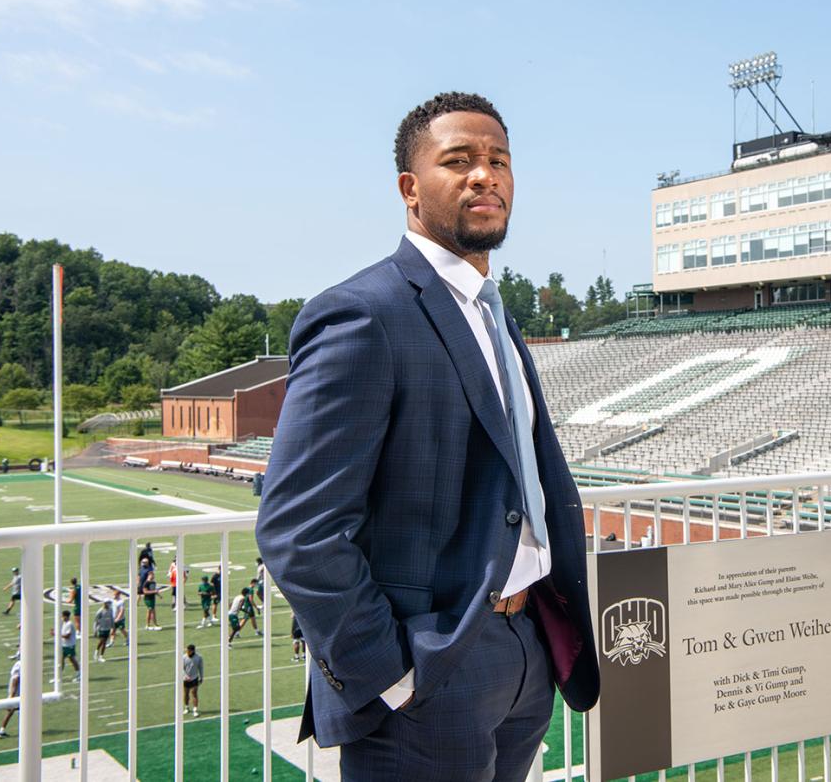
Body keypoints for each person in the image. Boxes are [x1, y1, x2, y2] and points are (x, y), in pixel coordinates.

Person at [256, 92, 599, 780]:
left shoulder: (494, 313)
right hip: (433, 669)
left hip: (525, 647)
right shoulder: (362, 313)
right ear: (410, 189)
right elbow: (297, 528)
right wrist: (393, 674)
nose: (485, 175)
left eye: (499, 160)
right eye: (460, 161)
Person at [0, 655, 21, 738]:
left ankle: (2, 730)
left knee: (15, 710)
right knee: (12, 710)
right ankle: (1, 730)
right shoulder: (20, 665)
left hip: (18, 691)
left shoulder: (19, 664)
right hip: (17, 692)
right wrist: (12, 695)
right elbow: (15, 679)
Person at [182, 644, 204, 717]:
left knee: (194, 693)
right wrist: (185, 676)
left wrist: (201, 677)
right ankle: (186, 707)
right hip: (185, 679)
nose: (187, 652)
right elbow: (181, 668)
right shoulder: (184, 657)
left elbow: (200, 668)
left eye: (189, 650)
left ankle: (195, 710)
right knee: (186, 693)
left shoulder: (198, 657)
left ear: (193, 651)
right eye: (187, 650)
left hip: (194, 678)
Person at [58, 610, 80, 681]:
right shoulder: (64, 623)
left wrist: (58, 635)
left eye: (63, 616)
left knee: (72, 659)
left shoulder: (70, 624)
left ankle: (78, 673)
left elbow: (68, 636)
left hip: (69, 645)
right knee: (61, 659)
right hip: (64, 645)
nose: (62, 617)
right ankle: (59, 676)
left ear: (66, 616)